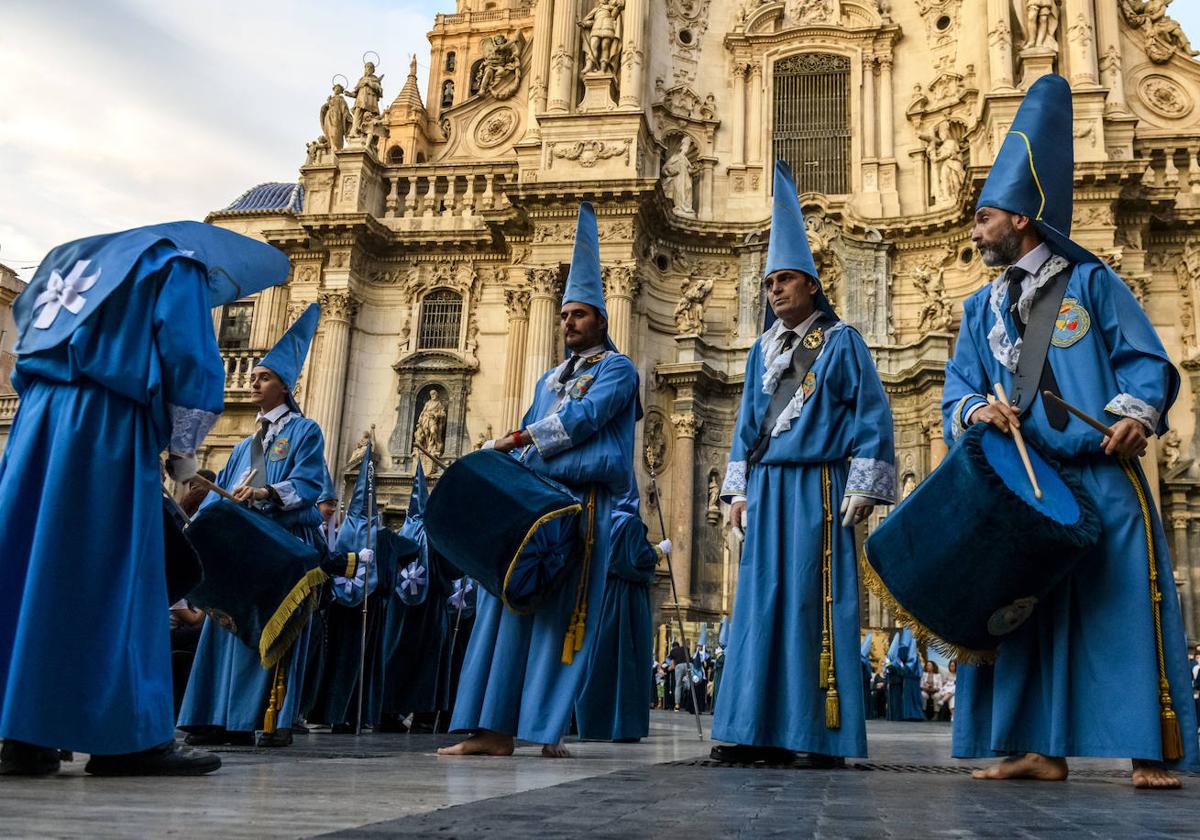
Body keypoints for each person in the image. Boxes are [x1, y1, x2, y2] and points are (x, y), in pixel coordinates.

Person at [942, 74, 1198, 788]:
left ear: (1021, 219)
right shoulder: (976, 311)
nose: (975, 230)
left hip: (1098, 470)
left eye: (985, 217)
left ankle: (1149, 753)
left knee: (1122, 602)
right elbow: (958, 387)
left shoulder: (1091, 283)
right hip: (1027, 483)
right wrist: (976, 411)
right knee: (1027, 615)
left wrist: (1133, 415)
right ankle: (1035, 748)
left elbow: (1146, 360)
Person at [0, 221, 288, 776]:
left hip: (36, 426)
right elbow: (188, 359)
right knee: (117, 573)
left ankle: (24, 736)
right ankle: (126, 739)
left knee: (32, 568)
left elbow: (23, 344)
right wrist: (183, 449)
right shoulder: (171, 263)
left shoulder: (65, 257)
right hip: (107, 424)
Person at [711, 160, 896, 768]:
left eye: (785, 281)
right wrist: (734, 494)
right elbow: (744, 431)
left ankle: (818, 736)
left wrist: (863, 486)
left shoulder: (842, 343)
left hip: (820, 487)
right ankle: (750, 729)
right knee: (758, 605)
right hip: (765, 491)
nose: (775, 292)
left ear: (814, 285)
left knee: (816, 604)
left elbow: (871, 414)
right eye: (769, 284)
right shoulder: (761, 352)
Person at [439, 202, 640, 758]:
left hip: (584, 507)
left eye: (578, 314)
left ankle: (545, 729)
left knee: (562, 614)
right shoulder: (549, 376)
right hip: (537, 503)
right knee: (505, 607)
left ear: (602, 319)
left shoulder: (618, 370)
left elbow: (586, 418)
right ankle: (492, 729)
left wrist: (523, 440)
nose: (567, 322)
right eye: (565, 314)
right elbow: (530, 425)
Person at [178, 305, 331, 749]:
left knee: (270, 629)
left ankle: (262, 718)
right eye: (254, 376)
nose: (253, 381)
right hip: (244, 552)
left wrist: (266, 494)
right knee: (225, 626)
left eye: (263, 376)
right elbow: (221, 494)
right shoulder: (245, 444)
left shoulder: (305, 430)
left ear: (284, 385)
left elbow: (310, 484)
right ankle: (215, 716)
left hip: (281, 547)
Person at [575, 486, 665, 742]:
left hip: (602, 594)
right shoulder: (632, 525)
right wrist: (659, 550)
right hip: (627, 598)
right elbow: (637, 559)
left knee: (601, 657)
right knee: (627, 656)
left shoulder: (602, 521)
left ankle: (593, 723)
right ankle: (623, 725)